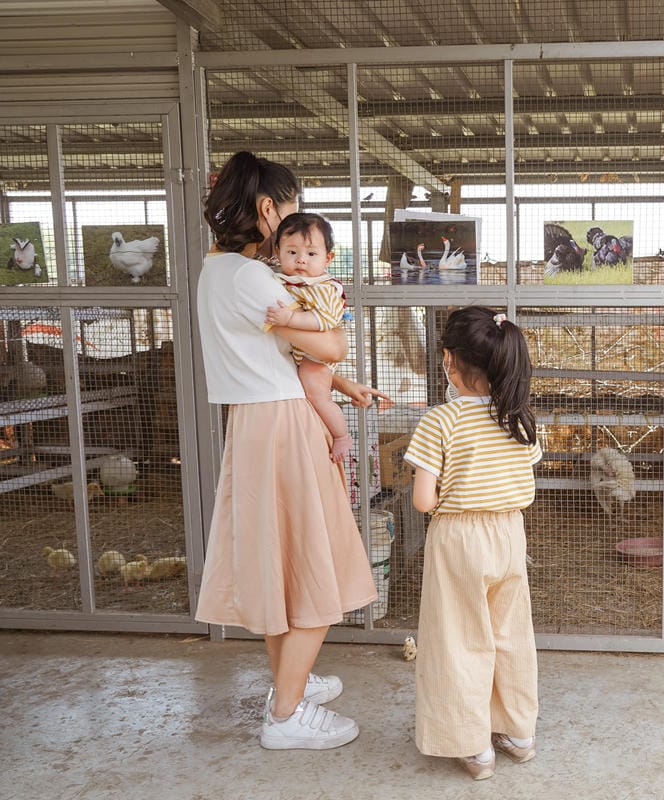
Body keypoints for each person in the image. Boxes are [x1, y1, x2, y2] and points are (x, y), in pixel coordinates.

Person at [193, 150, 388, 751]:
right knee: (315, 568)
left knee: (280, 567)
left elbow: (285, 356)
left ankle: (290, 683)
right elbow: (328, 345)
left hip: (252, 423)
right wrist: (340, 359)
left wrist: (344, 385)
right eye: (292, 210)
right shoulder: (257, 280)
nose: (296, 227)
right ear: (267, 209)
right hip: (284, 425)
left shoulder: (216, 270)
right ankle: (285, 715)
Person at [403, 306, 542, 781]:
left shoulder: (439, 421)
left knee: (460, 639)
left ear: (448, 360)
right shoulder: (521, 421)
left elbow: (424, 500)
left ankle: (473, 746)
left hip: (458, 537)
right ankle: (519, 733)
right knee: (509, 633)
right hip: (509, 533)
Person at [263, 212, 354, 461]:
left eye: (311, 254)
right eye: (292, 253)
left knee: (316, 395)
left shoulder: (323, 288)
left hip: (316, 357)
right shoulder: (283, 279)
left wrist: (289, 320)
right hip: (303, 353)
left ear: (328, 258)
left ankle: (341, 435)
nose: (301, 260)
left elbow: (325, 320)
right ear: (277, 250)